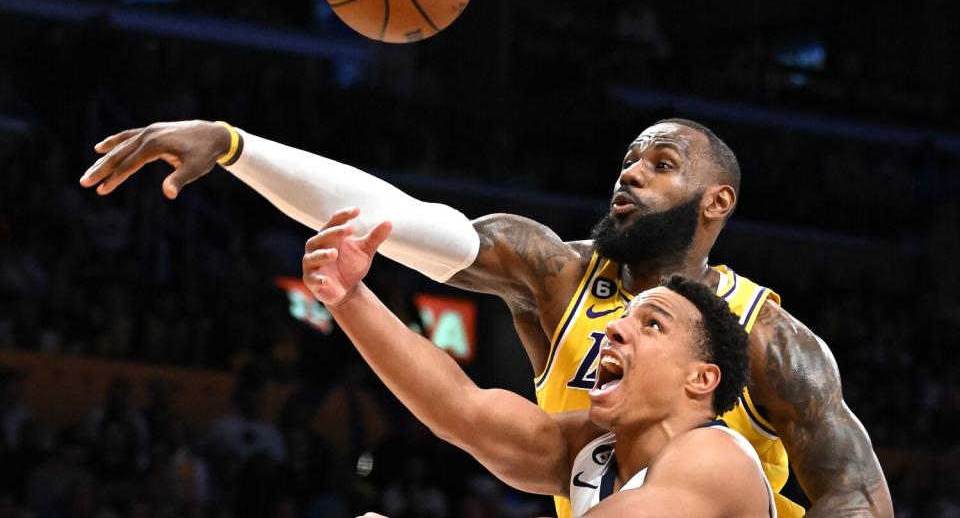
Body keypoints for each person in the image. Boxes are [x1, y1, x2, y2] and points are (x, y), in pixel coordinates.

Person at [80, 118, 893, 517]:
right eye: (627, 159)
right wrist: (237, 147)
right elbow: (464, 409)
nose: (632, 172)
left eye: (662, 163)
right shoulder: (563, 292)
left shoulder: (755, 373)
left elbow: (856, 500)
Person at [300, 207, 775, 517]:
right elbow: (458, 408)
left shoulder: (716, 457)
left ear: (701, 378)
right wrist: (347, 297)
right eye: (623, 316)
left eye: (652, 324)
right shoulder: (593, 449)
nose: (614, 328)